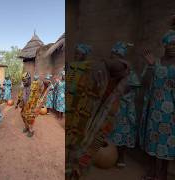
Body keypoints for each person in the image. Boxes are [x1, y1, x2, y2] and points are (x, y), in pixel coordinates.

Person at [66, 43, 130, 179]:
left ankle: (76, 171)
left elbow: (118, 68)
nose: (115, 57)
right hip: (85, 114)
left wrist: (101, 62)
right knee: (74, 146)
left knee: (87, 150)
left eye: (118, 55)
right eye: (114, 54)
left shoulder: (121, 67)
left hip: (101, 118)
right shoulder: (83, 69)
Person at [140, 30, 175, 180]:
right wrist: (151, 66)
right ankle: (152, 173)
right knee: (153, 141)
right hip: (154, 108)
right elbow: (144, 83)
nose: (173, 47)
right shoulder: (157, 62)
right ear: (165, 45)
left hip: (171, 111)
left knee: (166, 143)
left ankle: (162, 176)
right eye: (170, 44)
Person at [107, 42, 141, 168]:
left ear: (121, 57)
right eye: (112, 55)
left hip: (122, 107)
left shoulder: (128, 72)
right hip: (109, 106)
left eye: (115, 55)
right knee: (107, 131)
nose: (113, 57)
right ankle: (108, 155)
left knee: (121, 132)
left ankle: (120, 157)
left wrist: (120, 92)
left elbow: (131, 89)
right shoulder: (108, 70)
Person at [16, 72, 49, 137]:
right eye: (23, 81)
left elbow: (42, 90)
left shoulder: (36, 84)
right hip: (24, 105)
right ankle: (26, 127)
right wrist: (17, 103)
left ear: (29, 79)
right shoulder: (22, 86)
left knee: (30, 118)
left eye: (25, 80)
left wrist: (46, 86)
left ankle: (31, 130)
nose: (24, 82)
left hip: (32, 106)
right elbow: (20, 95)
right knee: (23, 116)